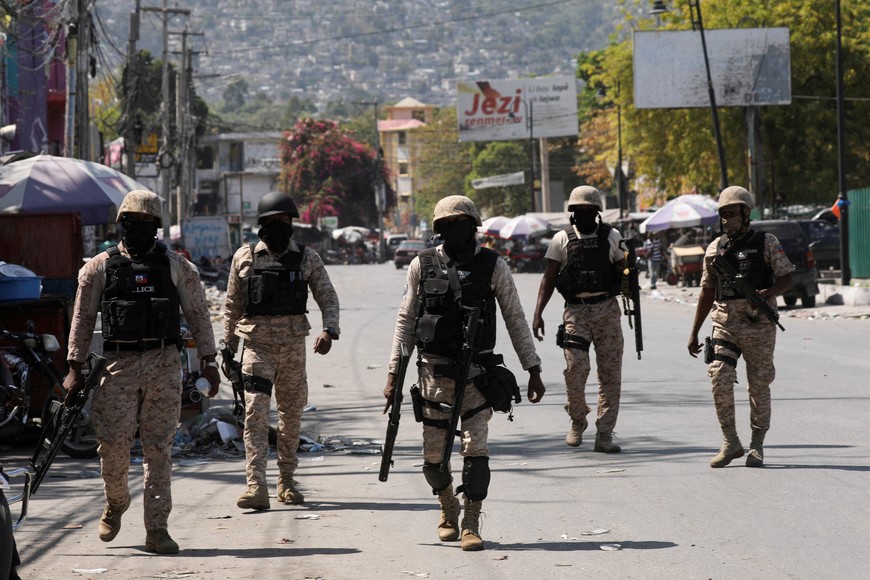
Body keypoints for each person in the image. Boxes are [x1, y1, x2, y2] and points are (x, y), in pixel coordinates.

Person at [383, 195, 544, 552]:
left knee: (476, 452)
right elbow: (405, 321)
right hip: (433, 374)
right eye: (448, 225)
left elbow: (515, 318)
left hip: (476, 374)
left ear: (474, 227)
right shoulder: (421, 265)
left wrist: (533, 368)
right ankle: (447, 506)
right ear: (439, 230)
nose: (456, 231)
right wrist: (394, 374)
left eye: (462, 224)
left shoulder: (492, 265)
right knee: (433, 459)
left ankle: (471, 519)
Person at [63, 190, 220, 554]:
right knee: (113, 448)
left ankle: (157, 530)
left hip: (163, 364)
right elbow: (83, 318)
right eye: (132, 223)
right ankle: (116, 502)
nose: (138, 229)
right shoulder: (99, 267)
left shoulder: (177, 267)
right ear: (122, 224)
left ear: (157, 228)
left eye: (146, 224)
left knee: (158, 450)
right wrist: (74, 367)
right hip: (116, 367)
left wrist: (209, 363)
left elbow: (198, 315)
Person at [222, 191, 340, 511]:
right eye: (272, 222)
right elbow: (232, 305)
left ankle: (286, 480)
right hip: (256, 347)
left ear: (292, 224)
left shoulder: (306, 258)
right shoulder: (244, 257)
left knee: (291, 417)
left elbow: (327, 297)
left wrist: (329, 330)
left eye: (283, 221)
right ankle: (255, 485)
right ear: (261, 225)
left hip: (292, 349)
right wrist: (227, 348)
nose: (278, 227)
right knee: (255, 414)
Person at [688, 186, 794, 468]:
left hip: (759, 323)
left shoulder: (766, 242)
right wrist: (694, 331)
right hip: (725, 323)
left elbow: (787, 277)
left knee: (758, 384)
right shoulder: (715, 248)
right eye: (724, 214)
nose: (728, 220)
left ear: (746, 214)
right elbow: (706, 291)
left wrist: (767, 292)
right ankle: (730, 442)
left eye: (733, 213)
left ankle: (757, 445)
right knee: (719, 376)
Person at [532, 186, 625, 453]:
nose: (583, 216)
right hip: (576, 311)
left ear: (597, 213)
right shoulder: (561, 239)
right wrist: (538, 314)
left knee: (610, 375)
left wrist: (626, 274)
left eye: (588, 211)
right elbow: (549, 278)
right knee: (575, 370)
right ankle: (577, 419)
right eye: (578, 212)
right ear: (572, 215)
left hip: (606, 309)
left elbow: (625, 271)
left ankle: (604, 433)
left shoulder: (612, 236)